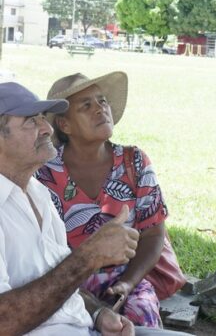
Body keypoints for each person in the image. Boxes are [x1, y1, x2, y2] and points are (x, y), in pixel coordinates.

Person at [0, 81, 189, 335]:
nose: (46, 128)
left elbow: (61, 283)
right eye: (31, 122)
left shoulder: (37, 192)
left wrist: (99, 314)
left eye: (42, 119)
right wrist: (89, 256)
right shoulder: (42, 183)